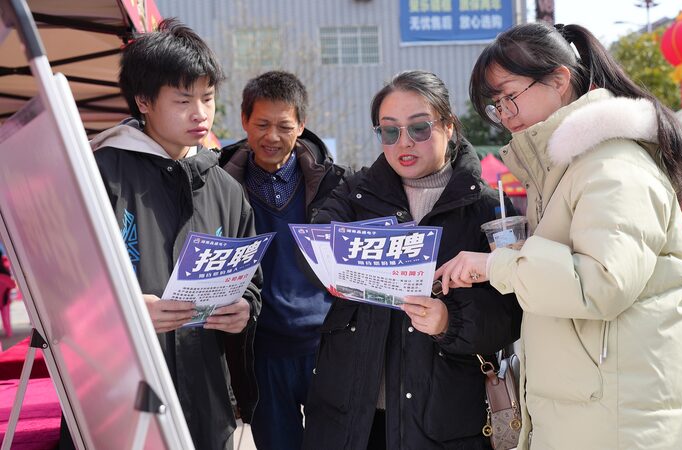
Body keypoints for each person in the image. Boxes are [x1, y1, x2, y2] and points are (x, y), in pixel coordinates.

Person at [436, 23, 682, 449]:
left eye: (509, 95)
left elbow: (602, 283)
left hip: (614, 408)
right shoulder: (566, 168)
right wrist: (518, 257)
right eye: (496, 105)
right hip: (590, 399)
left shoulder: (611, 164)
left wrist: (499, 264)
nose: (505, 114)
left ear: (559, 80)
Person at [301, 70, 522, 450]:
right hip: (350, 419)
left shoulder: (487, 209)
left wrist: (448, 321)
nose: (404, 142)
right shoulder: (355, 193)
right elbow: (314, 254)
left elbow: (510, 315)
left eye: (419, 128)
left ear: (449, 126)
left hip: (443, 420)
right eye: (390, 131)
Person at [86, 19, 261, 450]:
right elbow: (58, 289)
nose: (201, 113)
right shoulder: (98, 175)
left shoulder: (227, 188)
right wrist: (127, 310)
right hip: (121, 396)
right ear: (144, 101)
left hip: (207, 401)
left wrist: (244, 309)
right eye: (184, 100)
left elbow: (251, 281)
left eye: (208, 97)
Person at [220, 71, 350, 450]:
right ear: (244, 121)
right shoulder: (220, 185)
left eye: (283, 126)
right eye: (261, 124)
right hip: (260, 352)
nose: (271, 137)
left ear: (302, 125)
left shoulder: (336, 185)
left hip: (324, 346)